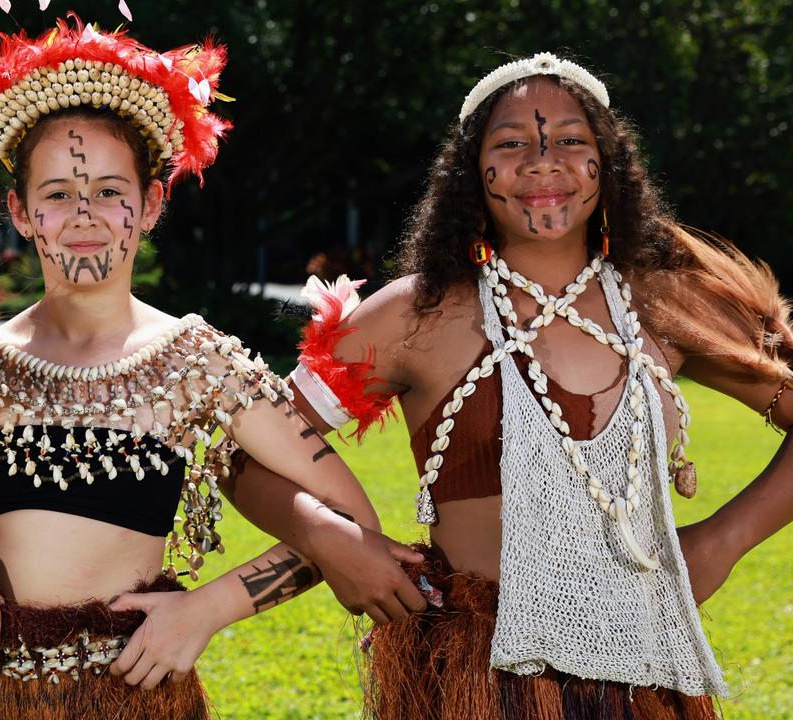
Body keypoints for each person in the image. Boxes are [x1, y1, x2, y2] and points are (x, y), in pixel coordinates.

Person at [0, 18, 425, 720]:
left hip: (136, 692)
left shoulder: (198, 362)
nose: (84, 213)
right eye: (58, 193)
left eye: (111, 192)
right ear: (22, 213)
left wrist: (209, 608)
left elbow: (351, 525)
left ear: (151, 206)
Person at [234, 51, 793, 719]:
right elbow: (245, 452)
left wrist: (724, 539)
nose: (542, 161)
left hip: (643, 671)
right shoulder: (417, 315)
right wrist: (331, 540)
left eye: (570, 142)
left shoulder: (664, 304)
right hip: (476, 676)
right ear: (472, 173)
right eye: (512, 144)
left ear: (607, 165)